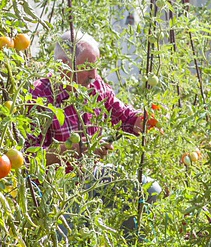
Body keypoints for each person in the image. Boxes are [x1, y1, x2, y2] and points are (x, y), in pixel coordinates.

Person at [25, 30, 162, 232]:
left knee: (148, 190)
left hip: (91, 174)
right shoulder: (38, 97)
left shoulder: (95, 85)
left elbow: (123, 115)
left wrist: (142, 120)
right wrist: (73, 149)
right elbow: (28, 159)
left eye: (95, 67)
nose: (94, 75)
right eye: (88, 67)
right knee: (63, 244)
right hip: (55, 186)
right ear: (63, 66)